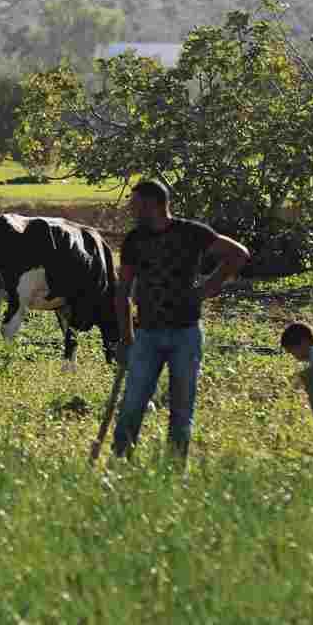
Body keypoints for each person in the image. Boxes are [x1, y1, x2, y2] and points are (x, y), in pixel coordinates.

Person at [111, 179, 251, 464]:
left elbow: (238, 254)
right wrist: (126, 339)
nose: (132, 211)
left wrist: (207, 288)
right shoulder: (134, 240)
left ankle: (175, 468)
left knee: (182, 407)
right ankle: (120, 462)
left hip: (185, 333)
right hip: (147, 335)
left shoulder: (192, 233)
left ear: (155, 205)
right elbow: (123, 291)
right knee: (132, 404)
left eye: (136, 205)